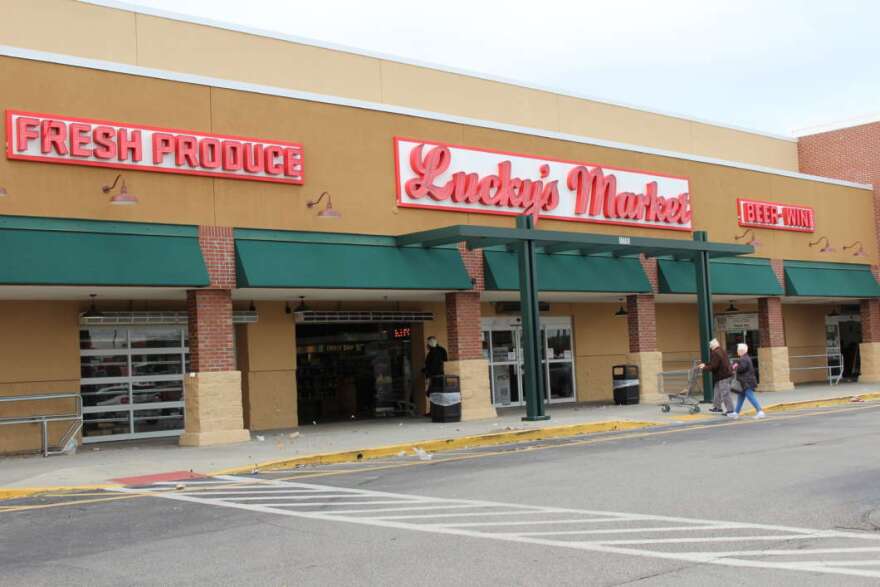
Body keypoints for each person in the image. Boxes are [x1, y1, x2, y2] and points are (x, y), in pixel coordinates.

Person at [699, 338, 735, 417]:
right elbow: (714, 363)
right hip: (724, 374)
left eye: (710, 346)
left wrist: (704, 368)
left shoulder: (715, 353)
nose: (710, 347)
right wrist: (705, 364)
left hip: (723, 376)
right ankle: (717, 407)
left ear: (713, 346)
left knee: (725, 393)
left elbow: (714, 366)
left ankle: (730, 410)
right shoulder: (721, 350)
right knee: (717, 391)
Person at [731, 343, 766, 419]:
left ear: (741, 351)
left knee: (750, 396)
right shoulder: (745, 358)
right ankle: (736, 413)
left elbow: (741, 369)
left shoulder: (743, 359)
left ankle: (760, 411)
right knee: (740, 397)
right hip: (745, 382)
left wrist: (735, 366)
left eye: (738, 350)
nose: (737, 352)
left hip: (746, 382)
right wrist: (736, 364)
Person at [422, 336, 447, 414]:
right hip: (441, 375)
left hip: (434, 376)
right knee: (437, 393)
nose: (427, 345)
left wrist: (426, 371)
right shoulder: (442, 350)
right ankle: (436, 410)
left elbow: (432, 365)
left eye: (428, 343)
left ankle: (434, 411)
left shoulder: (432, 352)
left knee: (433, 393)